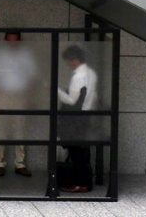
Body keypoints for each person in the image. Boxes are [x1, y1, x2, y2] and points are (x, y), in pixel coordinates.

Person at [0, 31, 37, 177]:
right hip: (2, 94)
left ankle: (20, 164)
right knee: (1, 129)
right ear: (5, 41)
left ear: (19, 41)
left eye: (15, 40)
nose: (12, 43)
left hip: (20, 94)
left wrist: (29, 96)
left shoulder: (25, 56)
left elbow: (32, 77)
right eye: (9, 40)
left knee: (20, 129)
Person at [57, 45, 98, 193]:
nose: (67, 64)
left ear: (74, 60)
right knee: (83, 150)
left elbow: (71, 100)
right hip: (86, 115)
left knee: (76, 152)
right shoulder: (91, 73)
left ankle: (80, 183)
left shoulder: (78, 76)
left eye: (68, 61)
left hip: (75, 118)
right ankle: (85, 181)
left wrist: (57, 90)